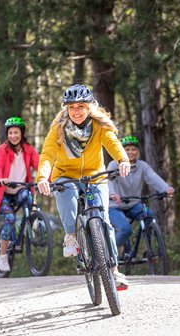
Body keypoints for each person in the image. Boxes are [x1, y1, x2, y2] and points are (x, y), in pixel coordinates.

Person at [36, 84, 130, 287]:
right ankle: (71, 235)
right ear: (66, 109)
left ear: (89, 107)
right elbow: (48, 154)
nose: (76, 111)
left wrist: (122, 159)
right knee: (66, 197)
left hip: (95, 175)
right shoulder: (58, 128)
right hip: (65, 175)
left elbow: (112, 142)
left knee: (103, 219)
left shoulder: (99, 126)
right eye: (72, 107)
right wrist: (43, 177)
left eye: (81, 106)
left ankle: (114, 270)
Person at [0, 117, 39, 272]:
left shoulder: (28, 149)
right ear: (7, 134)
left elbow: (39, 164)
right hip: (4, 192)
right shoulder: (1, 150)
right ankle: (2, 256)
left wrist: (48, 179)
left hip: (21, 190)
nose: (13, 136)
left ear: (22, 134)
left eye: (16, 132)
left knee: (29, 199)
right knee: (9, 218)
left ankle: (25, 227)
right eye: (10, 133)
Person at [108, 135, 175, 250]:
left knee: (149, 216)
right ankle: (109, 254)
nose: (130, 152)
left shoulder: (142, 166)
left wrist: (166, 188)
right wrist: (112, 194)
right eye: (127, 149)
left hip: (134, 204)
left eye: (133, 149)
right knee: (125, 229)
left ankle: (148, 250)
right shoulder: (114, 165)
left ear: (137, 151)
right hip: (115, 206)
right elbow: (109, 181)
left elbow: (153, 178)